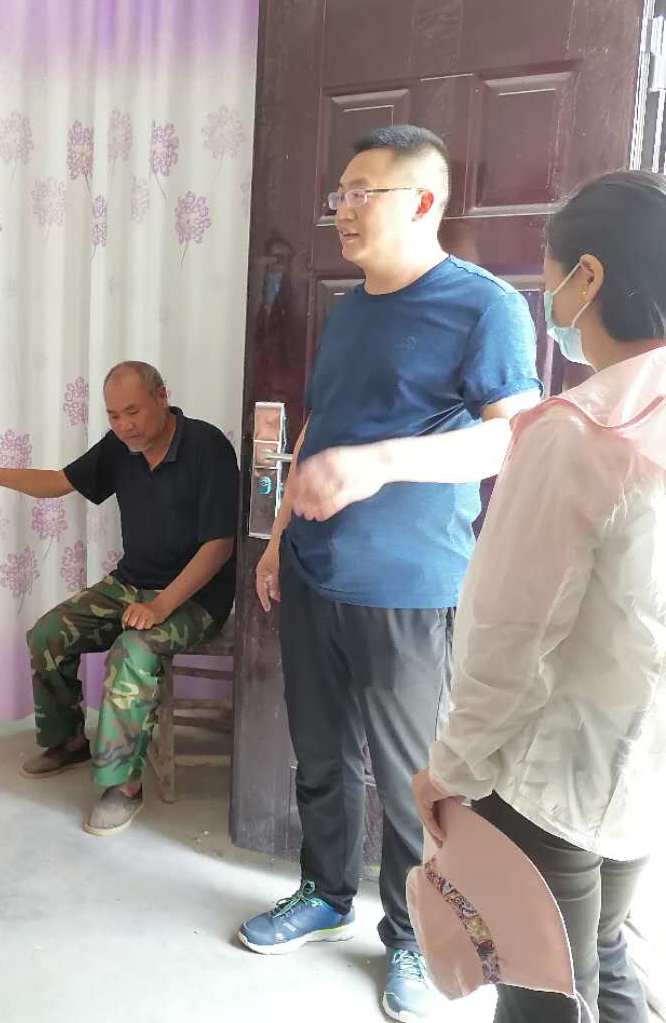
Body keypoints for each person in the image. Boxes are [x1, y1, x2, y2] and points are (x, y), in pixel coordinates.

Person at [237, 125, 541, 1022]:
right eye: (339, 192)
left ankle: (414, 936)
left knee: (415, 779)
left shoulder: (484, 307)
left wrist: (379, 465)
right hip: (313, 572)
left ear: (423, 201)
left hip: (408, 588)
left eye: (361, 191)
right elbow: (319, 427)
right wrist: (278, 534)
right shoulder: (350, 308)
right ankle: (326, 893)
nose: (341, 208)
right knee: (320, 753)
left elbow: (511, 439)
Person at [413, 170, 666, 1023]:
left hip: (551, 783)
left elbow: (508, 636)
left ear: (588, 276)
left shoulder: (581, 430)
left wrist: (449, 771)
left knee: (546, 993)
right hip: (644, 779)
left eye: (551, 273)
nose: (548, 298)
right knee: (607, 954)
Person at [0, 362, 238, 836]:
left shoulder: (206, 447)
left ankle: (123, 785)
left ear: (162, 397)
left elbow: (220, 546)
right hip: (132, 583)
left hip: (195, 598)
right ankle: (69, 742)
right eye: (113, 415)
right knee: (48, 634)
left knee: (132, 651)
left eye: (133, 411)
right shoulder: (120, 448)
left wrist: (160, 606)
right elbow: (59, 481)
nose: (124, 425)